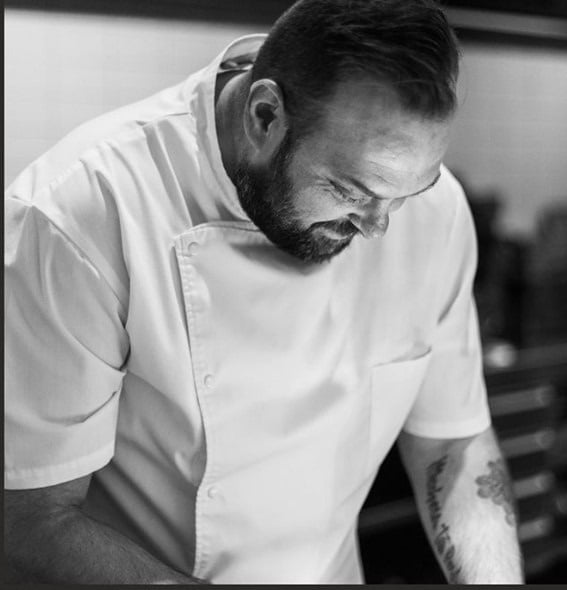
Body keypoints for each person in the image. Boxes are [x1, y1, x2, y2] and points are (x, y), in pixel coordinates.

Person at [4, 0, 524, 584]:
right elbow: (29, 522)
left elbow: (453, 445)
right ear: (265, 115)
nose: (379, 228)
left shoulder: (433, 210)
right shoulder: (81, 211)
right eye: (350, 189)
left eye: (410, 192)